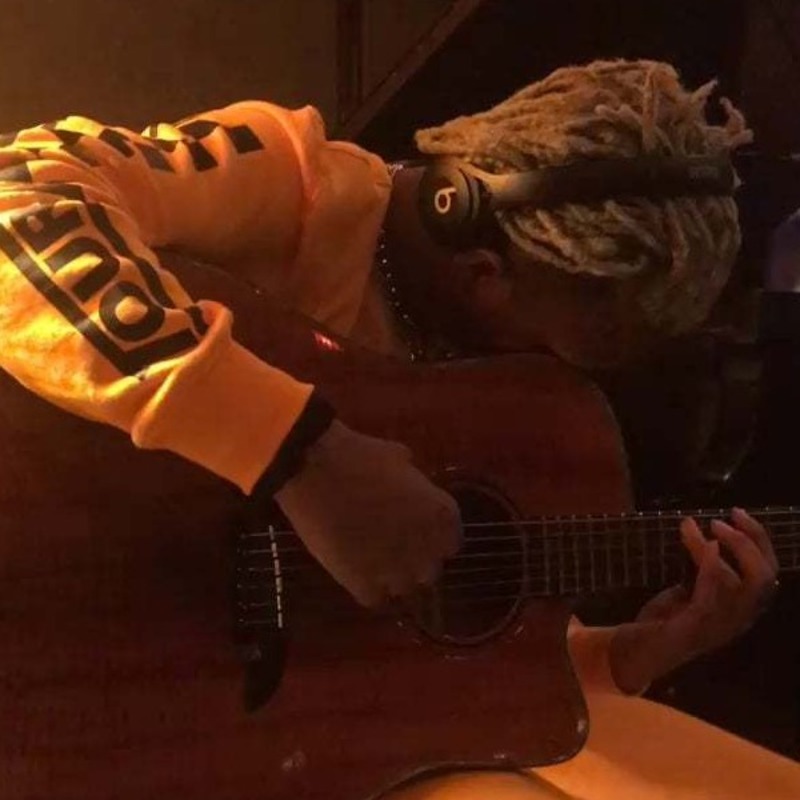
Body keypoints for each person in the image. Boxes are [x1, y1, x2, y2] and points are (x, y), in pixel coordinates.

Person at [0, 58, 796, 797]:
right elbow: (15, 201)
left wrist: (626, 654)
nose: (548, 376)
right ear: (484, 273)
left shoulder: (488, 382)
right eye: (549, 347)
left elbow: (409, 686)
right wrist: (300, 452)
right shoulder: (292, 175)